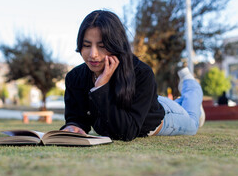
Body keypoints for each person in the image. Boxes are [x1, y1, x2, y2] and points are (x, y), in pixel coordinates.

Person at [60, 10, 205, 141]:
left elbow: (127, 132)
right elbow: (77, 118)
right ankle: (183, 100)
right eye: (86, 45)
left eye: (102, 46)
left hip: (164, 117)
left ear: (115, 44)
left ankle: (190, 83)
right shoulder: (75, 77)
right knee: (183, 107)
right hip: (147, 101)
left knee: (193, 120)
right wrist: (74, 127)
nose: (93, 54)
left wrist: (101, 87)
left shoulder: (142, 73)